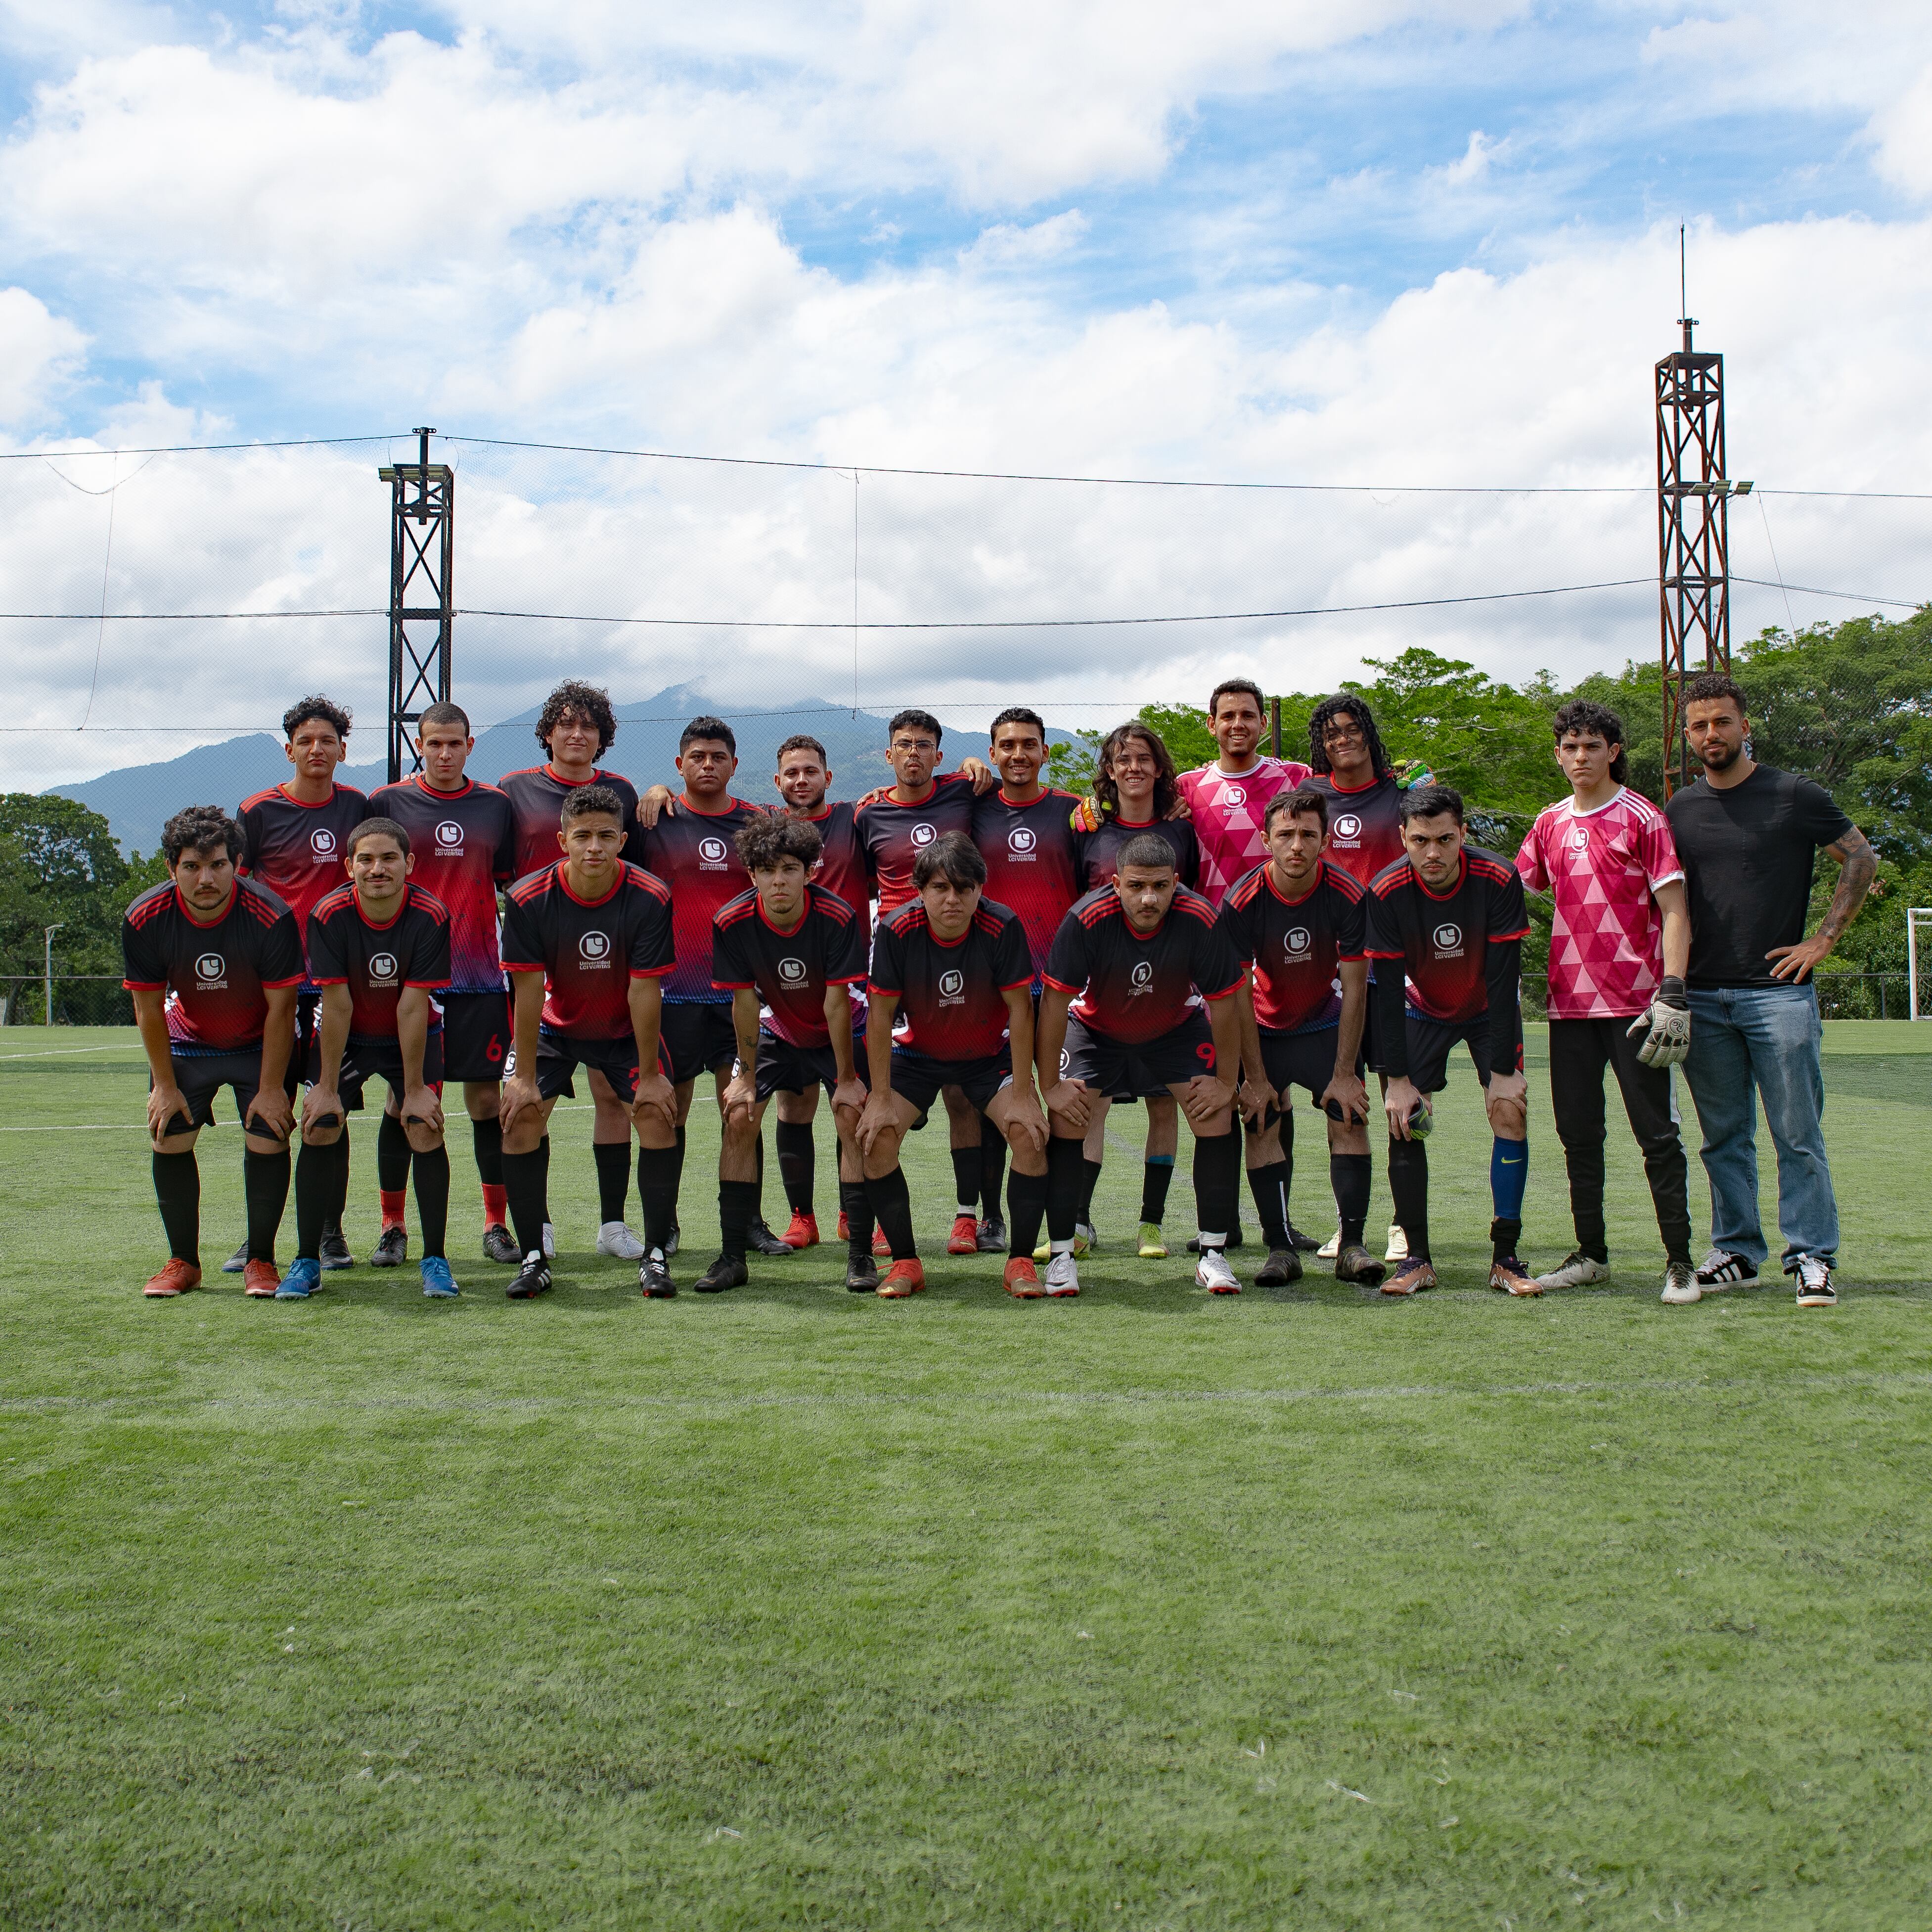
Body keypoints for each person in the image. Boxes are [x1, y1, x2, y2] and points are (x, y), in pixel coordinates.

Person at [1664, 671, 1875, 1307]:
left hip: (1779, 995)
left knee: (1796, 1132)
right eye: (1698, 725)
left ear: (1745, 725)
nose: (1710, 734)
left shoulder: (1793, 794)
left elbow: (1860, 858)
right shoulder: (1679, 808)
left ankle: (1811, 1255)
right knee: (1722, 1136)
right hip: (1703, 995)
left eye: (1721, 721)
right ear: (1687, 734)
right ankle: (1736, 1251)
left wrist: (1822, 941)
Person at [1515, 701, 1696, 1301]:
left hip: (1637, 1006)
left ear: (1613, 751)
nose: (1580, 757)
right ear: (1557, 754)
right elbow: (1508, 885)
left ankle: (1680, 1263)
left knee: (1656, 1137)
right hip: (1568, 1008)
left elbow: (1674, 911)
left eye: (1591, 746)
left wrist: (1672, 989)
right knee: (1578, 1136)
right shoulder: (1548, 823)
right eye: (1569, 746)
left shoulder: (1643, 817)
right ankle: (1591, 1255)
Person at [1035, 836, 1247, 1296]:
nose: (1147, 898)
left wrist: (1227, 1082)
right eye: (1135, 886)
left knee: (1214, 1116)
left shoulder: (1200, 918)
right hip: (1096, 1031)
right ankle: (1060, 1256)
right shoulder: (1086, 918)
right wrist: (1049, 1084)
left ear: (1176, 883)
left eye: (1158, 886)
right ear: (1115, 884)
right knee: (1069, 1116)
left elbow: (1226, 1002)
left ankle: (1212, 1254)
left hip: (1174, 1028)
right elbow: (1053, 1004)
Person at [496, 786, 678, 1300]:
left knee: (657, 1115)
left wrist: (648, 1075)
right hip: (555, 1028)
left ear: (622, 840)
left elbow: (644, 989)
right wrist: (523, 1077)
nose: (593, 846)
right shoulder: (529, 898)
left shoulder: (650, 895)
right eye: (582, 836)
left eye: (604, 836)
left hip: (622, 1029)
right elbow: (528, 991)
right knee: (518, 1119)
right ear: (562, 841)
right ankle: (533, 1254)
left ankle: (656, 1253)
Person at [858, 833, 1053, 1298]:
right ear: (919, 889)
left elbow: (1021, 1011)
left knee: (1028, 1134)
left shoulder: (1001, 925)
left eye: (964, 888)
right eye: (941, 888)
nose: (953, 899)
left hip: (986, 1057)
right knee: (876, 1139)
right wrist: (880, 1098)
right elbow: (880, 1014)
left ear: (980, 889)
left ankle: (1020, 1262)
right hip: (916, 1057)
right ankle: (906, 1262)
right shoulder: (895, 929)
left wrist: (1025, 1095)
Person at [123, 805, 303, 1299]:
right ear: (171, 868)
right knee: (169, 1136)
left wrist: (270, 1090)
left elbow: (283, 1009)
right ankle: (183, 1261)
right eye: (191, 866)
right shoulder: (144, 917)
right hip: (187, 1045)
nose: (205, 878)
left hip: (257, 1044)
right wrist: (163, 1085)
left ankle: (261, 1260)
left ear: (237, 863)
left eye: (217, 865)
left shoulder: (270, 915)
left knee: (269, 1133)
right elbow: (149, 1009)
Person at [1366, 784, 1537, 1296]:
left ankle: (1506, 1257)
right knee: (1406, 1120)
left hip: (1487, 1009)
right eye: (1420, 840)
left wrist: (1504, 1070)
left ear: (1463, 832)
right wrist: (1397, 1080)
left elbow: (1507, 979)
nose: (1433, 852)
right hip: (1420, 1009)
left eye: (1445, 838)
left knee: (1510, 1111)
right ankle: (1415, 1259)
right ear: (1403, 838)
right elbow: (1386, 989)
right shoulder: (1385, 890)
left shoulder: (1498, 876)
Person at [275, 818, 455, 1300]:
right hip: (348, 1036)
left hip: (412, 1035)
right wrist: (328, 1086)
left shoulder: (431, 914)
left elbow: (414, 1005)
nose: (378, 869)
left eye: (389, 859)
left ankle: (436, 1260)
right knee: (321, 1124)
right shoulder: (329, 913)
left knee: (423, 1124)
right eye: (367, 860)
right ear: (348, 865)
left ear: (409, 864)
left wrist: (415, 1087)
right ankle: (308, 1260)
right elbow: (335, 1004)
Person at [369, 701, 521, 1266]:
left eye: (454, 743)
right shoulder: (389, 802)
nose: (443, 753)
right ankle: (391, 1226)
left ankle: (495, 1224)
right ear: (419, 745)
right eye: (433, 743)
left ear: (469, 745)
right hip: (409, 982)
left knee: (485, 1099)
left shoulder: (494, 805)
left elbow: (506, 880)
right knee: (403, 1099)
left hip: (480, 975)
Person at [634, 716, 791, 1259]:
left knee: (742, 1111)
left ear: (734, 765)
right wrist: (651, 792)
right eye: (696, 757)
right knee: (666, 1111)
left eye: (717, 756)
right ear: (679, 765)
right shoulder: (653, 819)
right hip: (672, 992)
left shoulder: (759, 823)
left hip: (737, 995)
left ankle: (749, 1221)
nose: (707, 765)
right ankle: (666, 1224)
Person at [498, 680, 645, 1258]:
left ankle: (613, 1226)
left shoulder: (624, 792)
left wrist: (659, 790)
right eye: (566, 724)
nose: (577, 734)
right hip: (537, 963)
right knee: (529, 1099)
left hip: (606, 966)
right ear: (549, 733)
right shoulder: (512, 791)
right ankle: (537, 1229)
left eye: (588, 726)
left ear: (602, 737)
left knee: (613, 1097)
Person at [1219, 789, 1384, 1288]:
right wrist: (1254, 1077)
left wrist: (1344, 1073)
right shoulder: (1242, 899)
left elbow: (1356, 988)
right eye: (1285, 835)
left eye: (1307, 835)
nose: (1296, 845)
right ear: (1266, 839)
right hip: (1265, 1029)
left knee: (1349, 1114)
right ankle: (1279, 1248)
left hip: (1324, 1024)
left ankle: (1351, 1245)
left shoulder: (1349, 894)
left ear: (1325, 840)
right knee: (1261, 1118)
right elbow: (1237, 994)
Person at [854, 710, 1002, 1251]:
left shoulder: (963, 794)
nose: (912, 753)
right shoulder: (866, 815)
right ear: (888, 755)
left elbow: (1001, 785)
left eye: (923, 745)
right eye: (903, 745)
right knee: (883, 1097)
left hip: (964, 956)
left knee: (964, 1095)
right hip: (900, 964)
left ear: (938, 755)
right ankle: (879, 1220)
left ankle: (969, 1216)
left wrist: (971, 766)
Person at [707, 815, 873, 1292]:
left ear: (809, 872)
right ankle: (731, 1256)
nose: (777, 880)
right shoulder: (731, 920)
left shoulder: (837, 916)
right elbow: (743, 1001)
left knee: (849, 1113)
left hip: (838, 1029)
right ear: (751, 875)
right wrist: (744, 1075)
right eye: (766, 870)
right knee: (738, 1115)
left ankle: (860, 1255)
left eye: (788, 869)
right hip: (777, 1027)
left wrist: (846, 1078)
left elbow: (837, 1003)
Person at [235, 694, 372, 1271]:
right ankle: (259, 1237)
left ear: (343, 749)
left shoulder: (358, 806)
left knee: (327, 1107)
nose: (317, 749)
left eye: (328, 740)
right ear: (289, 748)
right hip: (274, 987)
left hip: (338, 983)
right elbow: (238, 892)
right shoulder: (258, 811)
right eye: (306, 741)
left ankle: (328, 1231)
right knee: (269, 1107)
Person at [1069, 722, 1197, 1259]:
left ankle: (1151, 1223)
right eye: (1122, 759)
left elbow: (1191, 905)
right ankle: (1079, 1220)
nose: (1134, 768)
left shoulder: (1182, 829)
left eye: (1144, 758)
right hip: (1101, 989)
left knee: (1162, 1107)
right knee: (1088, 1107)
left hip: (1165, 988)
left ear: (1160, 767)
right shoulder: (1085, 827)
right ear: (1109, 770)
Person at [971, 707, 1081, 1258]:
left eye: (1029, 744)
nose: (1018, 754)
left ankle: (1072, 1218)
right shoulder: (973, 808)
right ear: (992, 753)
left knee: (1062, 1100)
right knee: (999, 1100)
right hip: (994, 984)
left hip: (1060, 981)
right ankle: (991, 1216)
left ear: (1043, 751)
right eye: (1007, 745)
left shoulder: (1073, 811)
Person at [764, 732, 871, 1251]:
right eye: (792, 772)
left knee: (849, 1106)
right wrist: (656, 792)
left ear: (828, 778)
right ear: (777, 781)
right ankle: (801, 1216)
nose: (801, 780)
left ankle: (853, 1212)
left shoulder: (856, 819)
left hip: (849, 993)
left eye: (811, 771)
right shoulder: (763, 828)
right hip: (785, 993)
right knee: (793, 1106)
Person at [1175, 678, 1314, 907]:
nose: (1238, 724)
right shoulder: (1186, 787)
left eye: (1247, 716)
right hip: (1214, 924)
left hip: (1282, 925)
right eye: (1228, 716)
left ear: (1263, 724)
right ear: (1212, 725)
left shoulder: (1299, 778)